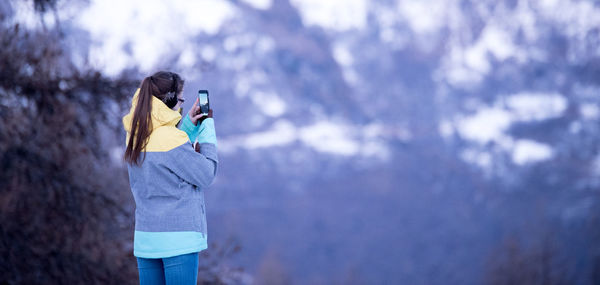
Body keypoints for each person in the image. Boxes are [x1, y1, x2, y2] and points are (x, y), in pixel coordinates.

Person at [121, 71, 218, 285]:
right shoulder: (170, 139)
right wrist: (207, 129)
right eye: (181, 99)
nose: (181, 105)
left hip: (147, 238)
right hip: (179, 239)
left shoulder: (135, 134)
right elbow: (206, 174)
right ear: (171, 100)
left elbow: (168, 159)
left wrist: (188, 127)